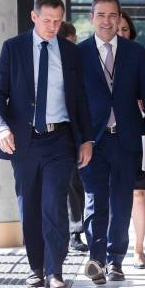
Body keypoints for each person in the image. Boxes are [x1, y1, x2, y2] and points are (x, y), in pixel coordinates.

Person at [0, 0, 94, 288]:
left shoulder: (72, 53)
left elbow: (81, 101)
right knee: (30, 206)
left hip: (60, 139)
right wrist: (1, 127)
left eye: (57, 21)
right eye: (47, 20)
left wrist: (86, 139)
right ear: (34, 17)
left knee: (53, 206)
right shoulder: (14, 48)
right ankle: (36, 267)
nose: (52, 27)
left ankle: (55, 272)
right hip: (24, 141)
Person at [79, 0, 145, 285]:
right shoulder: (79, 54)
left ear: (119, 18)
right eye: (100, 15)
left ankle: (115, 261)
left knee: (120, 202)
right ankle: (97, 258)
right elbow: (74, 101)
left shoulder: (137, 53)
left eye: (112, 15)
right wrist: (81, 138)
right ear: (91, 18)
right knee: (95, 201)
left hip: (127, 140)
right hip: (93, 142)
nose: (106, 21)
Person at [115, 11, 145, 269]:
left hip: (137, 133)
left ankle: (138, 249)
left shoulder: (140, 55)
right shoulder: (93, 55)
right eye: (118, 28)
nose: (121, 32)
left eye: (125, 29)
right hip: (106, 136)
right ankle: (112, 250)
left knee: (138, 193)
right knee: (111, 194)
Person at [57, 21, 88, 253]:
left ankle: (75, 231)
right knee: (67, 185)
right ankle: (69, 231)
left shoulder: (77, 61)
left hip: (75, 134)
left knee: (74, 184)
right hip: (56, 134)